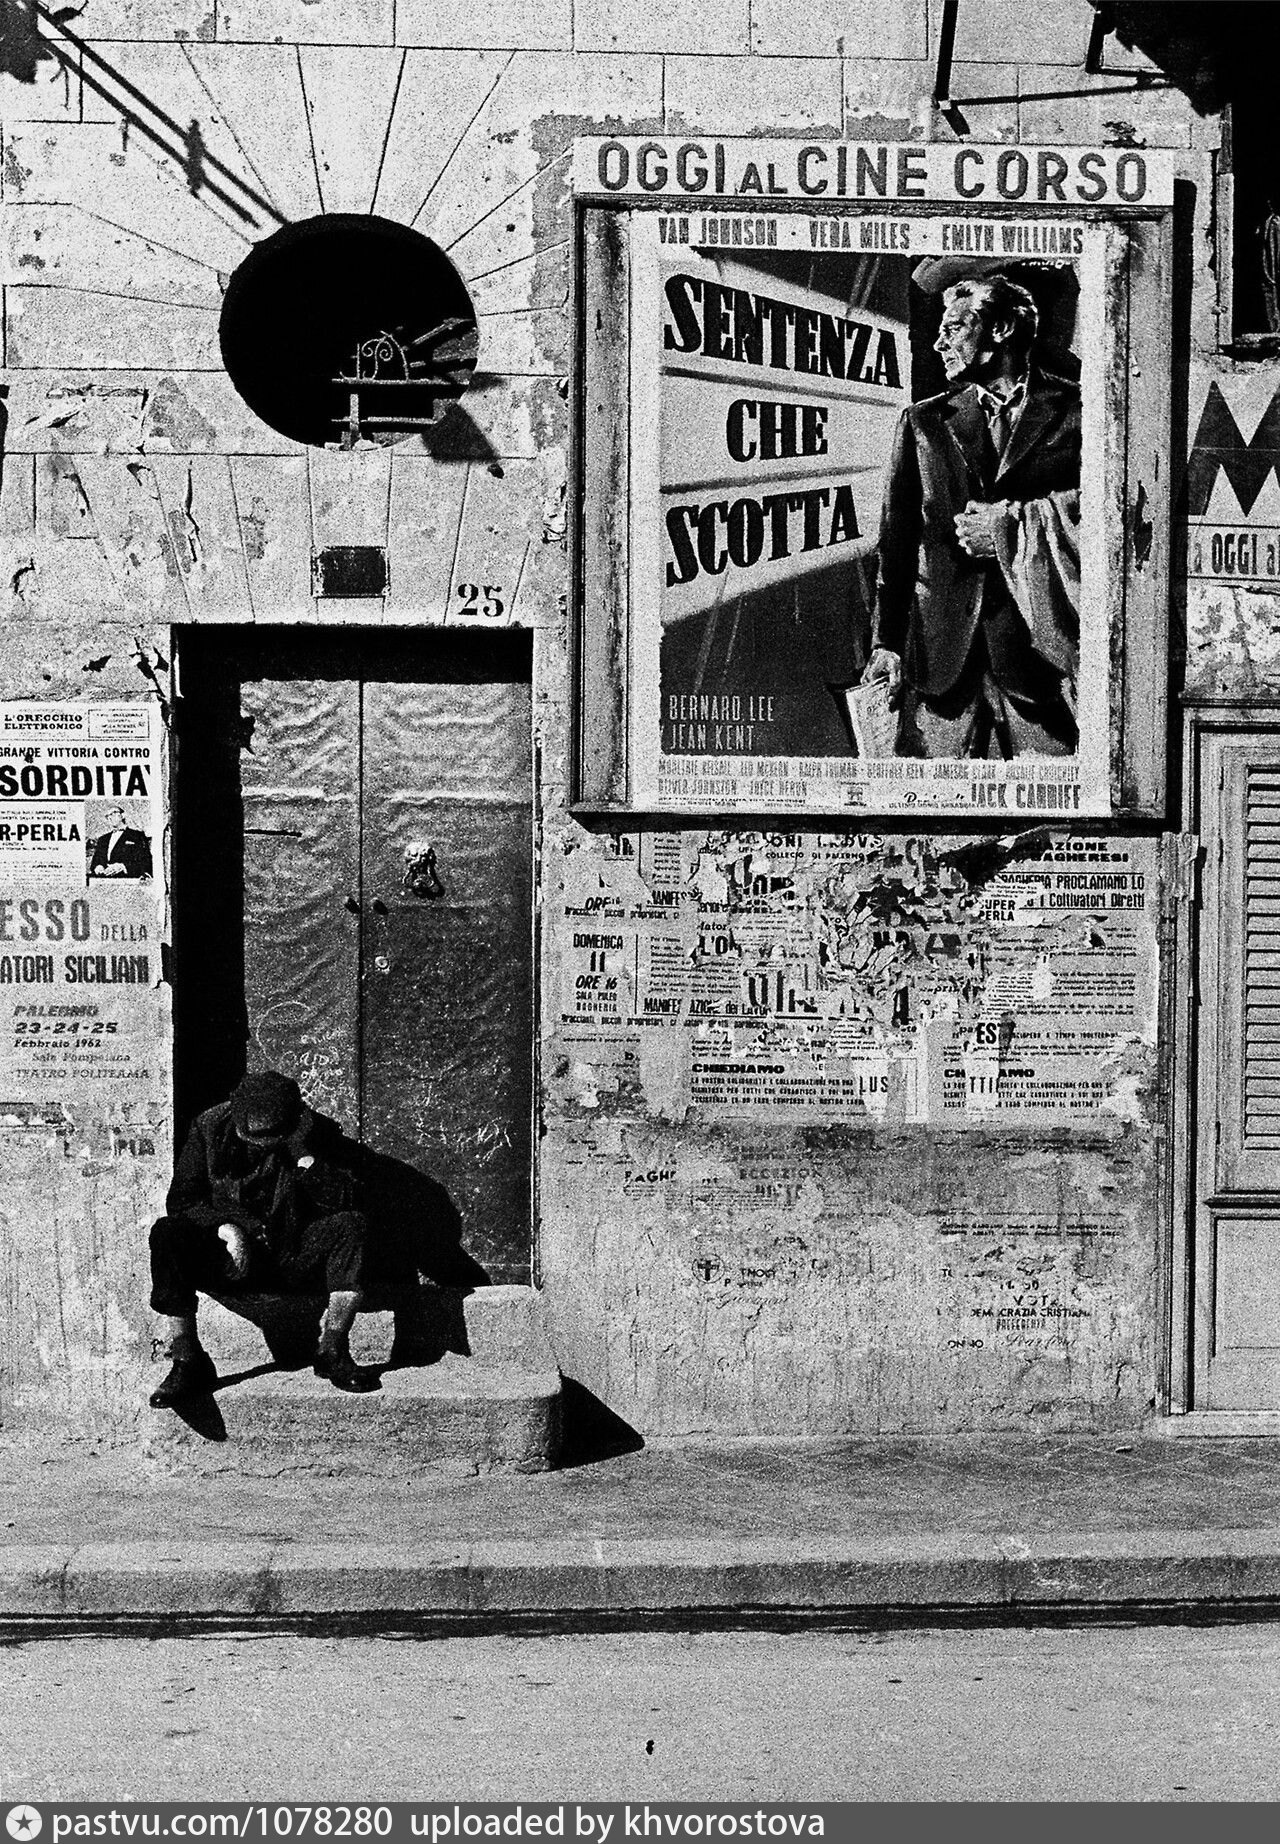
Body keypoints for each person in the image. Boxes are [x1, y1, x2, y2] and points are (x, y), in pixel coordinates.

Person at [863, 274, 1081, 760]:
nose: (939, 343)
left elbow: (1096, 520)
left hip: (1038, 663)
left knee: (1050, 791)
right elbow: (896, 542)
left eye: (954, 328)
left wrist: (1006, 530)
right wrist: (886, 643)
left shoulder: (1079, 411)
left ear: (1000, 328)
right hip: (940, 662)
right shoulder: (922, 421)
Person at [148, 1070, 378, 1403]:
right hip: (234, 1260)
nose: (263, 1146)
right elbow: (183, 1202)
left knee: (352, 1224)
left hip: (293, 1254)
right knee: (167, 1233)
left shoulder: (317, 1132)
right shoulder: (208, 1127)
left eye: (274, 1141)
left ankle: (332, 1349)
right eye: (253, 1140)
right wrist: (227, 1228)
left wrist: (303, 1154)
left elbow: (349, 1200)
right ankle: (187, 1358)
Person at [89, 806, 152, 879]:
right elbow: (95, 861)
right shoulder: (103, 839)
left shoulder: (137, 835)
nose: (110, 817)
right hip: (104, 880)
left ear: (122, 815)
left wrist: (123, 867)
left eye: (113, 813)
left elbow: (146, 861)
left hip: (127, 879)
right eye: (107, 816)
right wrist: (98, 867)